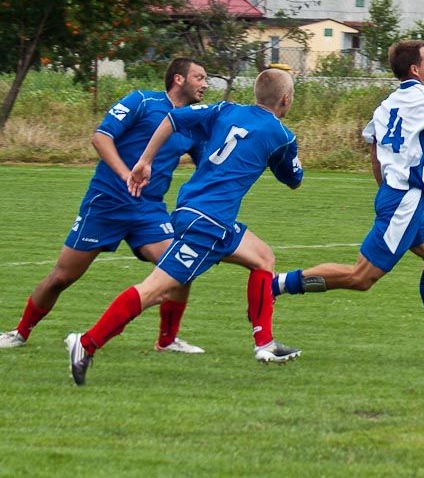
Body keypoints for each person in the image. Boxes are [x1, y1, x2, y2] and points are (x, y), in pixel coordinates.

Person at [65, 68, 304, 385]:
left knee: (262, 257)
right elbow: (294, 179)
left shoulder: (225, 109)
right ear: (285, 100)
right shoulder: (282, 136)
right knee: (154, 290)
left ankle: (265, 344)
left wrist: (145, 160)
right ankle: (85, 344)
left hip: (195, 212)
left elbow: (172, 119)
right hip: (207, 223)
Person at [271, 39, 424, 359]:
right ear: (415, 69)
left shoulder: (386, 105)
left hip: (397, 196)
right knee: (360, 277)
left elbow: (375, 154)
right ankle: (276, 285)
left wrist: (388, 190)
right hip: (404, 200)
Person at [0, 58, 209, 354]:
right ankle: (19, 332)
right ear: (178, 79)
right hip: (107, 204)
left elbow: (209, 166)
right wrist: (126, 175)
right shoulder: (142, 101)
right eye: (199, 77)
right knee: (62, 277)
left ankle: (167, 340)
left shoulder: (192, 123)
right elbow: (101, 137)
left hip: (148, 211)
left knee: (180, 268)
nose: (205, 84)